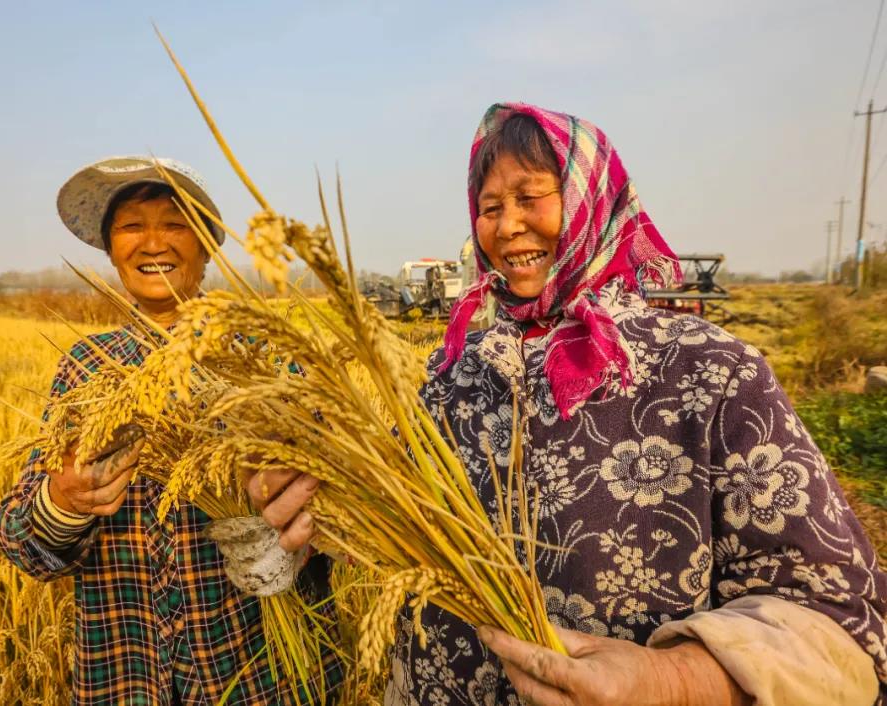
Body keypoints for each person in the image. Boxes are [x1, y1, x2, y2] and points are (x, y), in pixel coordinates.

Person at [256, 105, 887, 706]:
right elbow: (386, 533)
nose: (507, 226)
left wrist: (671, 681)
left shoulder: (708, 371)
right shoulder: (449, 374)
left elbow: (844, 622)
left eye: (531, 197)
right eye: (489, 207)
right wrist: (308, 517)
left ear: (591, 200)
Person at [0, 156, 340, 705]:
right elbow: (24, 546)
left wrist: (291, 542)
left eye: (175, 224)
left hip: (261, 678)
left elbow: (345, 508)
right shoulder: (86, 371)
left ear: (206, 245)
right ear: (111, 251)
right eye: (131, 226)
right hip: (126, 677)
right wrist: (63, 502)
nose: (153, 242)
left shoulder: (265, 356)